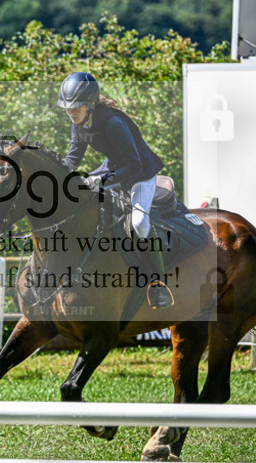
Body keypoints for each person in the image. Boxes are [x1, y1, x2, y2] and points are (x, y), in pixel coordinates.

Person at [58, 71, 173, 308]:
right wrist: (57, 177)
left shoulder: (114, 124)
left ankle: (159, 284)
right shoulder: (78, 123)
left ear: (90, 104)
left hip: (141, 174)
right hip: (115, 168)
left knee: (139, 223)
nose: (71, 112)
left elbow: (134, 165)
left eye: (76, 107)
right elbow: (72, 160)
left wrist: (101, 181)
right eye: (68, 108)